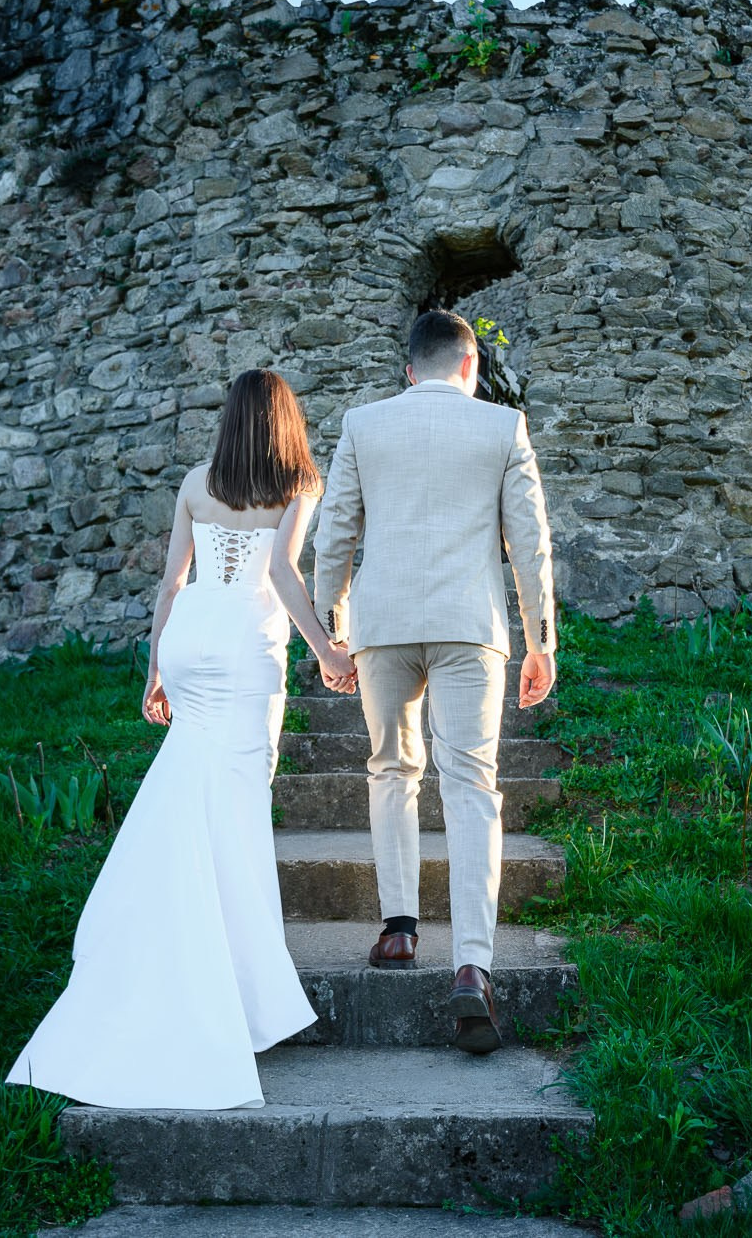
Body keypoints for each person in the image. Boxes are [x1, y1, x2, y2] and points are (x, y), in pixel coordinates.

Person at [5, 369, 358, 1109]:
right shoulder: (300, 481)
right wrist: (326, 648)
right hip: (243, 652)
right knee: (234, 807)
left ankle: (191, 949)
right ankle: (233, 984)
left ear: (230, 419)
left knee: (190, 778)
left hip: (192, 641)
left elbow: (171, 581)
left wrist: (153, 668)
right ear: (286, 420)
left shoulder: (198, 481)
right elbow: (285, 574)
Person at [312, 309, 558, 1056]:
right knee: (472, 783)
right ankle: (473, 966)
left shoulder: (363, 424)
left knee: (391, 768)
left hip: (384, 624)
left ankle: (397, 929)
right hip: (469, 624)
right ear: (470, 366)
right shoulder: (501, 429)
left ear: (409, 370)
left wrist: (333, 632)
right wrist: (540, 641)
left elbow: (335, 534)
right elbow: (531, 544)